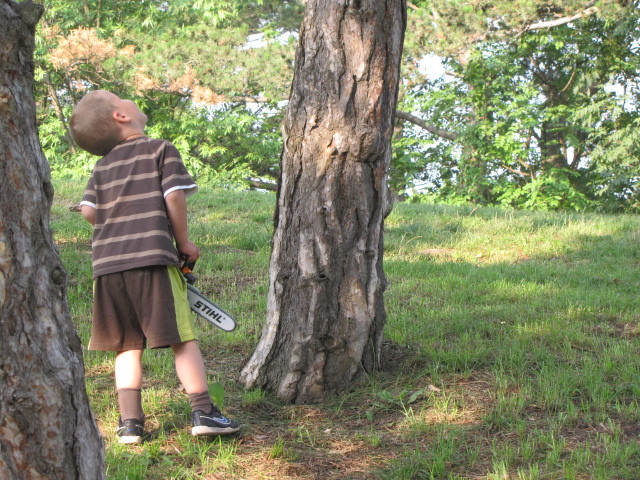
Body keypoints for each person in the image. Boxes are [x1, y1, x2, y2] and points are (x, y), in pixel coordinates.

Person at [70, 90, 239, 444]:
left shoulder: (101, 167)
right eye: (122, 98)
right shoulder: (159, 149)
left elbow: (88, 212)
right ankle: (204, 411)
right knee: (181, 338)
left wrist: (117, 224)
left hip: (107, 267)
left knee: (126, 345)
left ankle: (129, 423)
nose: (131, 100)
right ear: (121, 116)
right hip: (152, 259)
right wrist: (184, 244)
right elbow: (174, 195)